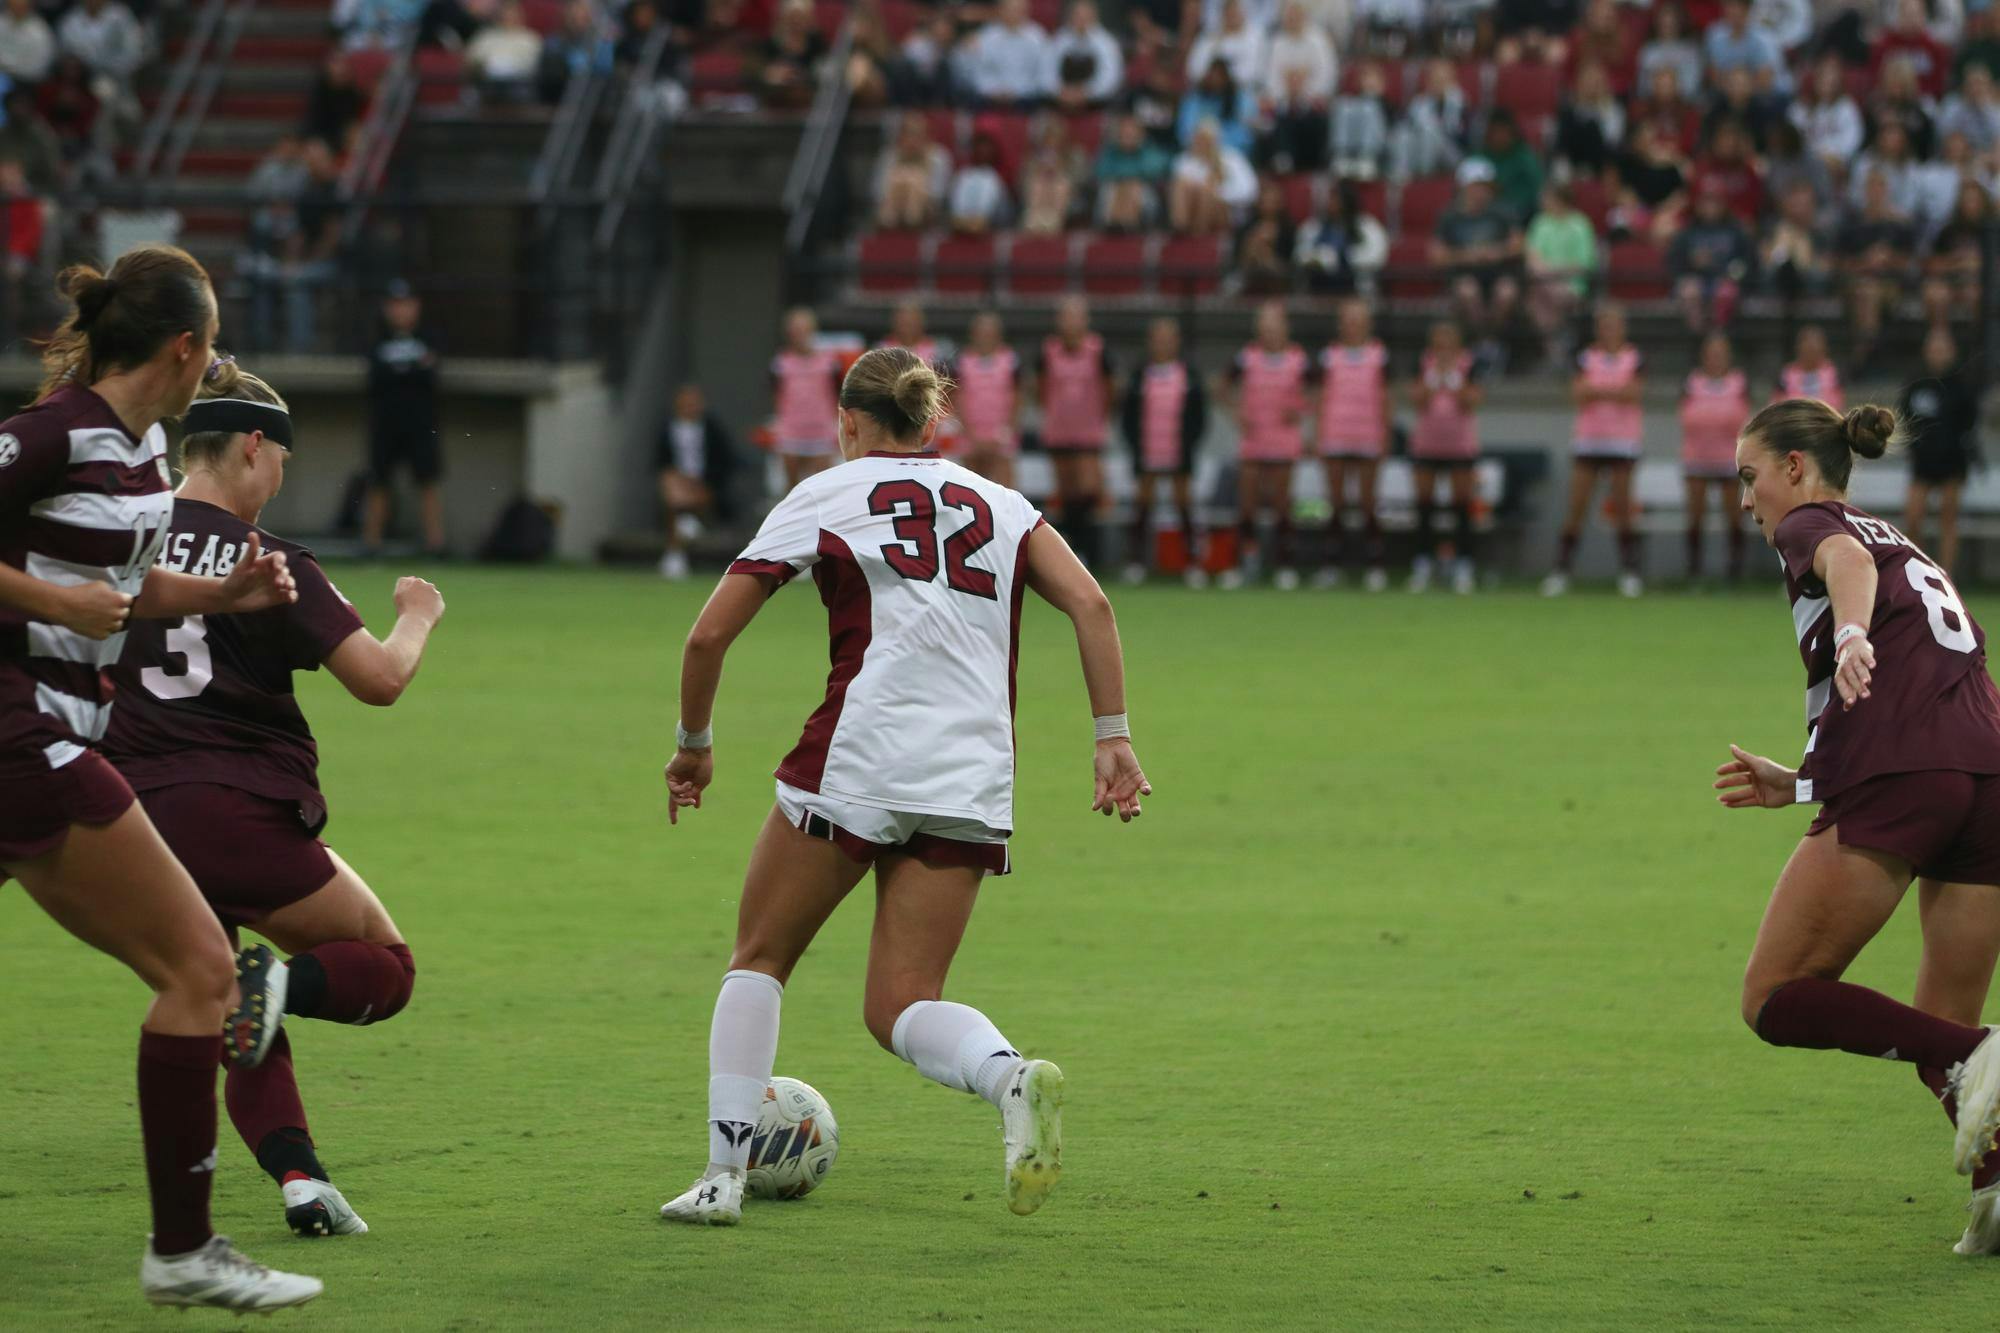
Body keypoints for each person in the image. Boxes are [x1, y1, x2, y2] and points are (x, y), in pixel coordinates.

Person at [657, 347, 1151, 1227]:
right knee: (901, 1001)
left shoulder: (826, 492)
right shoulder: (1002, 504)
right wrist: (1111, 737)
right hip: (971, 773)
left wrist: (694, 744)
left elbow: (706, 638)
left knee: (760, 958)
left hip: (860, 752)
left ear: (847, 421)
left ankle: (723, 1176)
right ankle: (1009, 1077)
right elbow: (1093, 605)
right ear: (934, 424)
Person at [0, 248, 317, 1310]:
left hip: (54, 734)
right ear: (184, 348)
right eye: (214, 341)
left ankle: (184, 1250)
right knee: (201, 970)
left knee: (195, 973)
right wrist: (51, 607)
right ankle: (182, 1250)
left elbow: (115, 589)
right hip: (23, 735)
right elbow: (70, 597)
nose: (217, 359)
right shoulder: (50, 431)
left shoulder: (137, 451)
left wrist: (219, 599)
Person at [101, 366, 442, 1241]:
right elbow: (379, 679)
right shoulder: (273, 562)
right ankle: (283, 988)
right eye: (282, 458)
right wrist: (418, 613)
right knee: (384, 965)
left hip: (130, 824)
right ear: (254, 445)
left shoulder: (114, 542)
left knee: (227, 993)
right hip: (240, 809)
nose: (282, 477)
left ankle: (301, 1180)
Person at [1714, 399, 2000, 1257]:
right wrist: (1803, 780)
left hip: (1907, 778)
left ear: (1796, 468)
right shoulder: (1901, 539)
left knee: (1774, 997)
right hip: (1985, 774)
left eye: (1749, 475)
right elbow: (1930, 686)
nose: (1746, 498)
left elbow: (1842, 566)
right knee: (1937, 1034)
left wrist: (1847, 632)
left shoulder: (1817, 524)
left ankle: (1988, 1051)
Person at [1544, 303, 1645, 598]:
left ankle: (1630, 572)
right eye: (1604, 326)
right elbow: (1578, 393)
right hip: (1588, 441)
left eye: (1614, 325)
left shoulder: (1634, 357)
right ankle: (1561, 571)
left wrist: (1598, 389)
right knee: (1576, 507)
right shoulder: (1586, 357)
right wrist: (1614, 389)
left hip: (1623, 442)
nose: (1609, 331)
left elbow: (1633, 393)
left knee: (1623, 509)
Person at [1222, 300, 1310, 590]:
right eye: (1265, 326)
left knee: (1281, 504)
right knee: (1247, 505)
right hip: (1254, 438)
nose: (1270, 332)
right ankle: (1245, 563)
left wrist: (1300, 408)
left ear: (1285, 329)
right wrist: (1237, 413)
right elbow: (1221, 386)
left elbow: (1319, 392)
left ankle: (1284, 565)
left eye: (1275, 326)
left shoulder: (1299, 359)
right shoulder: (1247, 357)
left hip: (1284, 438)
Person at [1120, 317, 1208, 587]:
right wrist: (1135, 445)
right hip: (1147, 450)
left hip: (1178, 451)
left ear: (1176, 342)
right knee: (1143, 506)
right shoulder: (1140, 376)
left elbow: (1199, 416)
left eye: (1167, 338)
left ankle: (1192, 563)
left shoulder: (1189, 375)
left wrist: (1189, 444)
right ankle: (1136, 562)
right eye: (1157, 338)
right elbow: (1128, 415)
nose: (1162, 343)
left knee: (1184, 505)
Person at [362, 282, 445, 557]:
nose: (401, 311)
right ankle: (372, 544)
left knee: (427, 480)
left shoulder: (429, 336)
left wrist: (401, 372)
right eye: (395, 305)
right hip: (386, 421)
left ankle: (435, 544)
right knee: (379, 481)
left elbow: (430, 376)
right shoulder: (377, 338)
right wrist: (411, 370)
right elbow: (376, 378)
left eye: (406, 304)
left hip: (421, 420)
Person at [1314, 299, 1390, 591]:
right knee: (1335, 502)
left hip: (1367, 432)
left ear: (1367, 323)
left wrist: (1384, 434)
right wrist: (1318, 433)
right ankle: (1331, 564)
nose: (1353, 324)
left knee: (1369, 501)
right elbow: (1321, 396)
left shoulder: (1378, 355)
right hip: (1336, 432)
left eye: (1358, 319)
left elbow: (1385, 397)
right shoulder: (1329, 355)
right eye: (1348, 319)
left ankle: (1375, 565)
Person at [1405, 320, 1484, 595]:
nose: (1443, 350)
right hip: (1427, 445)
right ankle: (1423, 563)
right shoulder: (1423, 365)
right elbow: (1416, 399)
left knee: (1461, 507)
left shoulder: (1468, 366)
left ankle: (1464, 565)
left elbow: (1472, 401)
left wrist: (1454, 381)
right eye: (1438, 345)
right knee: (1424, 506)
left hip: (1460, 446)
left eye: (1448, 345)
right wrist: (1432, 380)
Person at [1037, 296, 1114, 567]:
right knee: (1066, 491)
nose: (1070, 323)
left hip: (1088, 431)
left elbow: (1109, 388)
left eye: (1076, 317)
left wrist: (1097, 416)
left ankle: (1089, 549)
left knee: (1089, 488)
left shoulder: (1097, 350)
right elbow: (1041, 388)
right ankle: (1072, 548)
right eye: (1066, 317)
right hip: (1059, 430)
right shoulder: (1049, 351)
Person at [1900, 328, 1981, 576]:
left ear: (1951, 352)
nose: (1937, 354)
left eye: (1942, 349)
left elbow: (1968, 422)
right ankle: (1920, 573)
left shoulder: (1961, 386)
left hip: (1951, 462)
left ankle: (1945, 576)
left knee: (1948, 519)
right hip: (1922, 462)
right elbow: (1906, 418)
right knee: (1913, 519)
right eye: (1934, 348)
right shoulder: (1916, 385)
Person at [1432, 159, 1523, 369]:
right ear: (1463, 187)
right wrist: (1469, 256)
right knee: (1468, 292)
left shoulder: (1502, 212)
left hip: (1498, 273)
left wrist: (1496, 252)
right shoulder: (1449, 215)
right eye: (1476, 186)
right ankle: (1482, 342)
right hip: (1463, 275)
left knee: (1506, 293)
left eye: (1485, 187)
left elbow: (1518, 244)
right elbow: (1437, 255)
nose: (1481, 192)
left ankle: (1492, 342)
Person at [1679, 331, 1753, 580]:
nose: (1716, 358)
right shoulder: (1692, 382)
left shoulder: (1738, 382)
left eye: (1720, 353)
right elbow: (1686, 415)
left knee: (1733, 515)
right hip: (1697, 457)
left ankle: (1735, 569)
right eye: (1711, 353)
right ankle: (1694, 570)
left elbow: (1742, 417)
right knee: (1695, 514)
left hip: (1728, 459)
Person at [655, 384, 738, 580]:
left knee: (687, 501)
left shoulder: (712, 428)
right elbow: (661, 461)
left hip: (705, 482)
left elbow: (724, 460)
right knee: (673, 495)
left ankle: (679, 544)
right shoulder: (668, 427)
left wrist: (703, 480)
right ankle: (681, 541)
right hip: (678, 481)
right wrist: (679, 478)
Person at [769, 307, 845, 491]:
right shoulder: (780, 364)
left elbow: (839, 393)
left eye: (804, 330)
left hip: (821, 432)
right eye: (796, 330)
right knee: (792, 489)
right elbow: (775, 394)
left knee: (823, 488)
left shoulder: (829, 363)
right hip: (791, 433)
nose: (800, 335)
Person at [1524, 182, 1599, 368]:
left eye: (1547, 198)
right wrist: (1549, 273)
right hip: (1543, 285)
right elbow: (1532, 260)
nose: (1542, 202)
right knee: (1536, 298)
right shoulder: (1540, 223)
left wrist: (1550, 271)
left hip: (1573, 286)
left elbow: (1584, 264)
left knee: (1543, 294)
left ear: (1560, 200)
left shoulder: (1580, 224)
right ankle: (1558, 350)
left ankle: (1554, 351)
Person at [952, 311, 1022, 488]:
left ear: (998, 336)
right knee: (972, 487)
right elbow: (956, 398)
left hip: (1001, 434)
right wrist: (970, 433)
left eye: (990, 334)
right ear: (973, 335)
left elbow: (1018, 397)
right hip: (971, 434)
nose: (985, 338)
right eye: (981, 333)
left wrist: (1007, 430)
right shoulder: (962, 362)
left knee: (1006, 487)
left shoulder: (1010, 360)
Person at [1777, 324, 1844, 409]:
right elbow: (1778, 402)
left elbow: (1837, 404)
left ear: (1825, 348)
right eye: (1806, 342)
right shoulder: (1787, 373)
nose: (1811, 345)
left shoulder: (1833, 373)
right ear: (1798, 347)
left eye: (1816, 342)